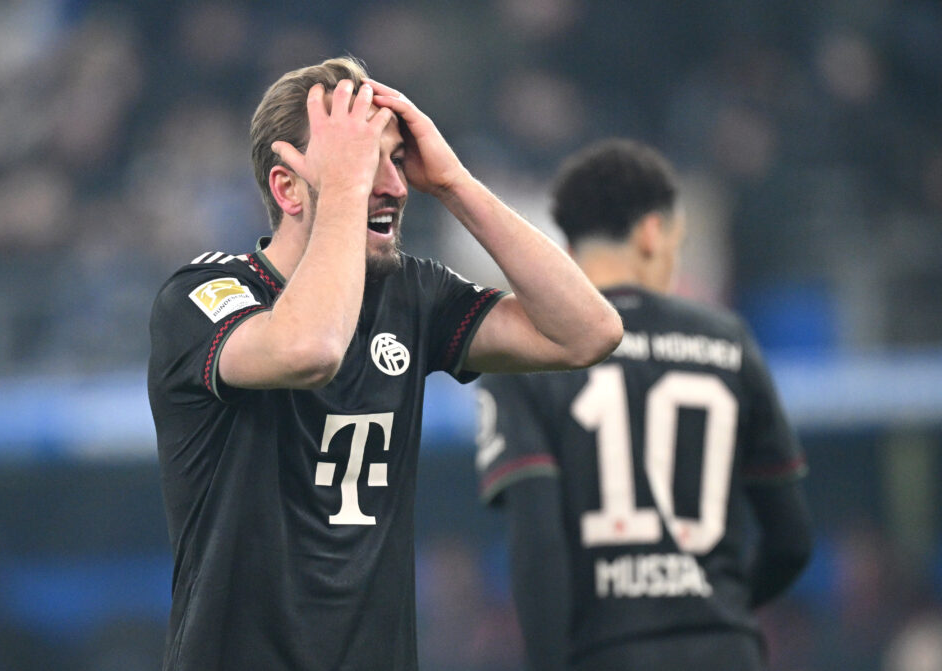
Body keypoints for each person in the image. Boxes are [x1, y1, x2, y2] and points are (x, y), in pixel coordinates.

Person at [146, 57, 623, 671]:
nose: (396, 186)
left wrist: (454, 184)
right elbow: (310, 349)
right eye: (361, 160)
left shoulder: (411, 293)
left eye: (396, 159)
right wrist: (348, 191)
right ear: (288, 189)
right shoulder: (204, 295)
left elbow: (588, 333)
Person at [476, 138, 814, 670]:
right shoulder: (728, 341)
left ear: (568, 244)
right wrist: (716, 610)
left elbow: (538, 545)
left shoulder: (531, 353)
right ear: (653, 233)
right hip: (725, 651)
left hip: (608, 652)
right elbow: (791, 542)